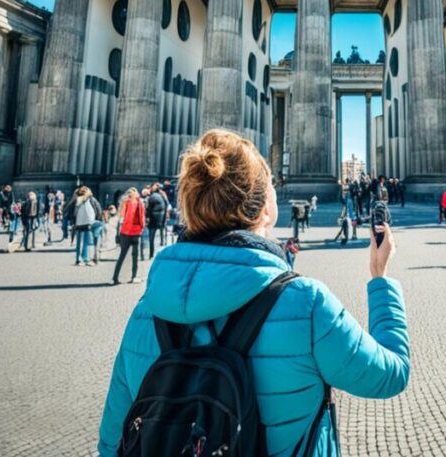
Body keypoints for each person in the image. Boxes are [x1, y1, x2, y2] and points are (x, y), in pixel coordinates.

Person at [97, 129, 410, 457]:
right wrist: (380, 278)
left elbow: (111, 444)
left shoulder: (145, 312)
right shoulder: (306, 304)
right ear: (265, 210)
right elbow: (391, 374)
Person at [112, 188, 145, 285]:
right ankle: (134, 276)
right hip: (135, 231)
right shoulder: (139, 203)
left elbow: (121, 217)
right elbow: (142, 217)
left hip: (126, 232)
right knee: (135, 256)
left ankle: (115, 277)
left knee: (122, 255)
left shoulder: (125, 203)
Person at [70, 186, 103, 266]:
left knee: (86, 243)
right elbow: (98, 210)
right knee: (85, 243)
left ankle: (85, 259)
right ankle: (82, 259)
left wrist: (97, 220)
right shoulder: (79, 200)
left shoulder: (90, 199)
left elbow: (98, 210)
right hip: (82, 224)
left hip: (88, 223)